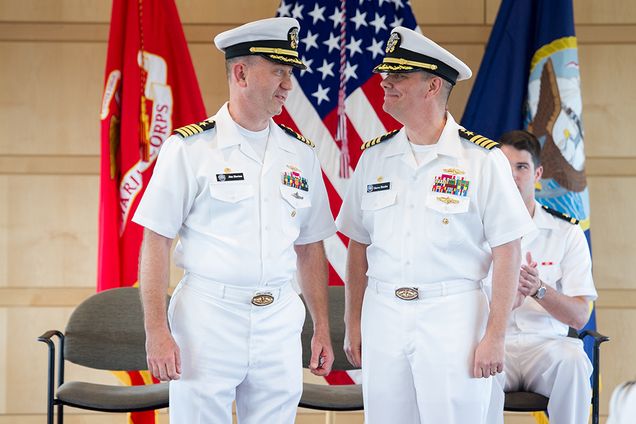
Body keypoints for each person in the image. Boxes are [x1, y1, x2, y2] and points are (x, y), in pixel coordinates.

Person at [132, 17, 336, 424]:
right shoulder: (190, 148)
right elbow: (156, 241)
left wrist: (322, 326)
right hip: (208, 318)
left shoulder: (301, 154)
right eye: (278, 71)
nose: (288, 85)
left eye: (289, 73)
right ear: (241, 73)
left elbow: (311, 246)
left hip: (279, 318)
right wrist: (157, 330)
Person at [335, 27, 535, 424]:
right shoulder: (374, 158)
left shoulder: (480, 159)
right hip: (384, 313)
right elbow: (358, 244)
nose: (385, 83)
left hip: (453, 316)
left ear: (432, 86)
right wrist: (353, 321)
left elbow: (507, 248)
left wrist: (495, 334)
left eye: (399, 77)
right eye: (386, 75)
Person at [487, 130, 598, 424]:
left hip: (546, 346)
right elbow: (461, 306)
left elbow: (579, 317)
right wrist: (507, 301)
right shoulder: (474, 231)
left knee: (574, 360)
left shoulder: (567, 233)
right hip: (497, 342)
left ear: (537, 173)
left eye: (521, 167)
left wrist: (539, 290)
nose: (512, 175)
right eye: (505, 167)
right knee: (468, 368)